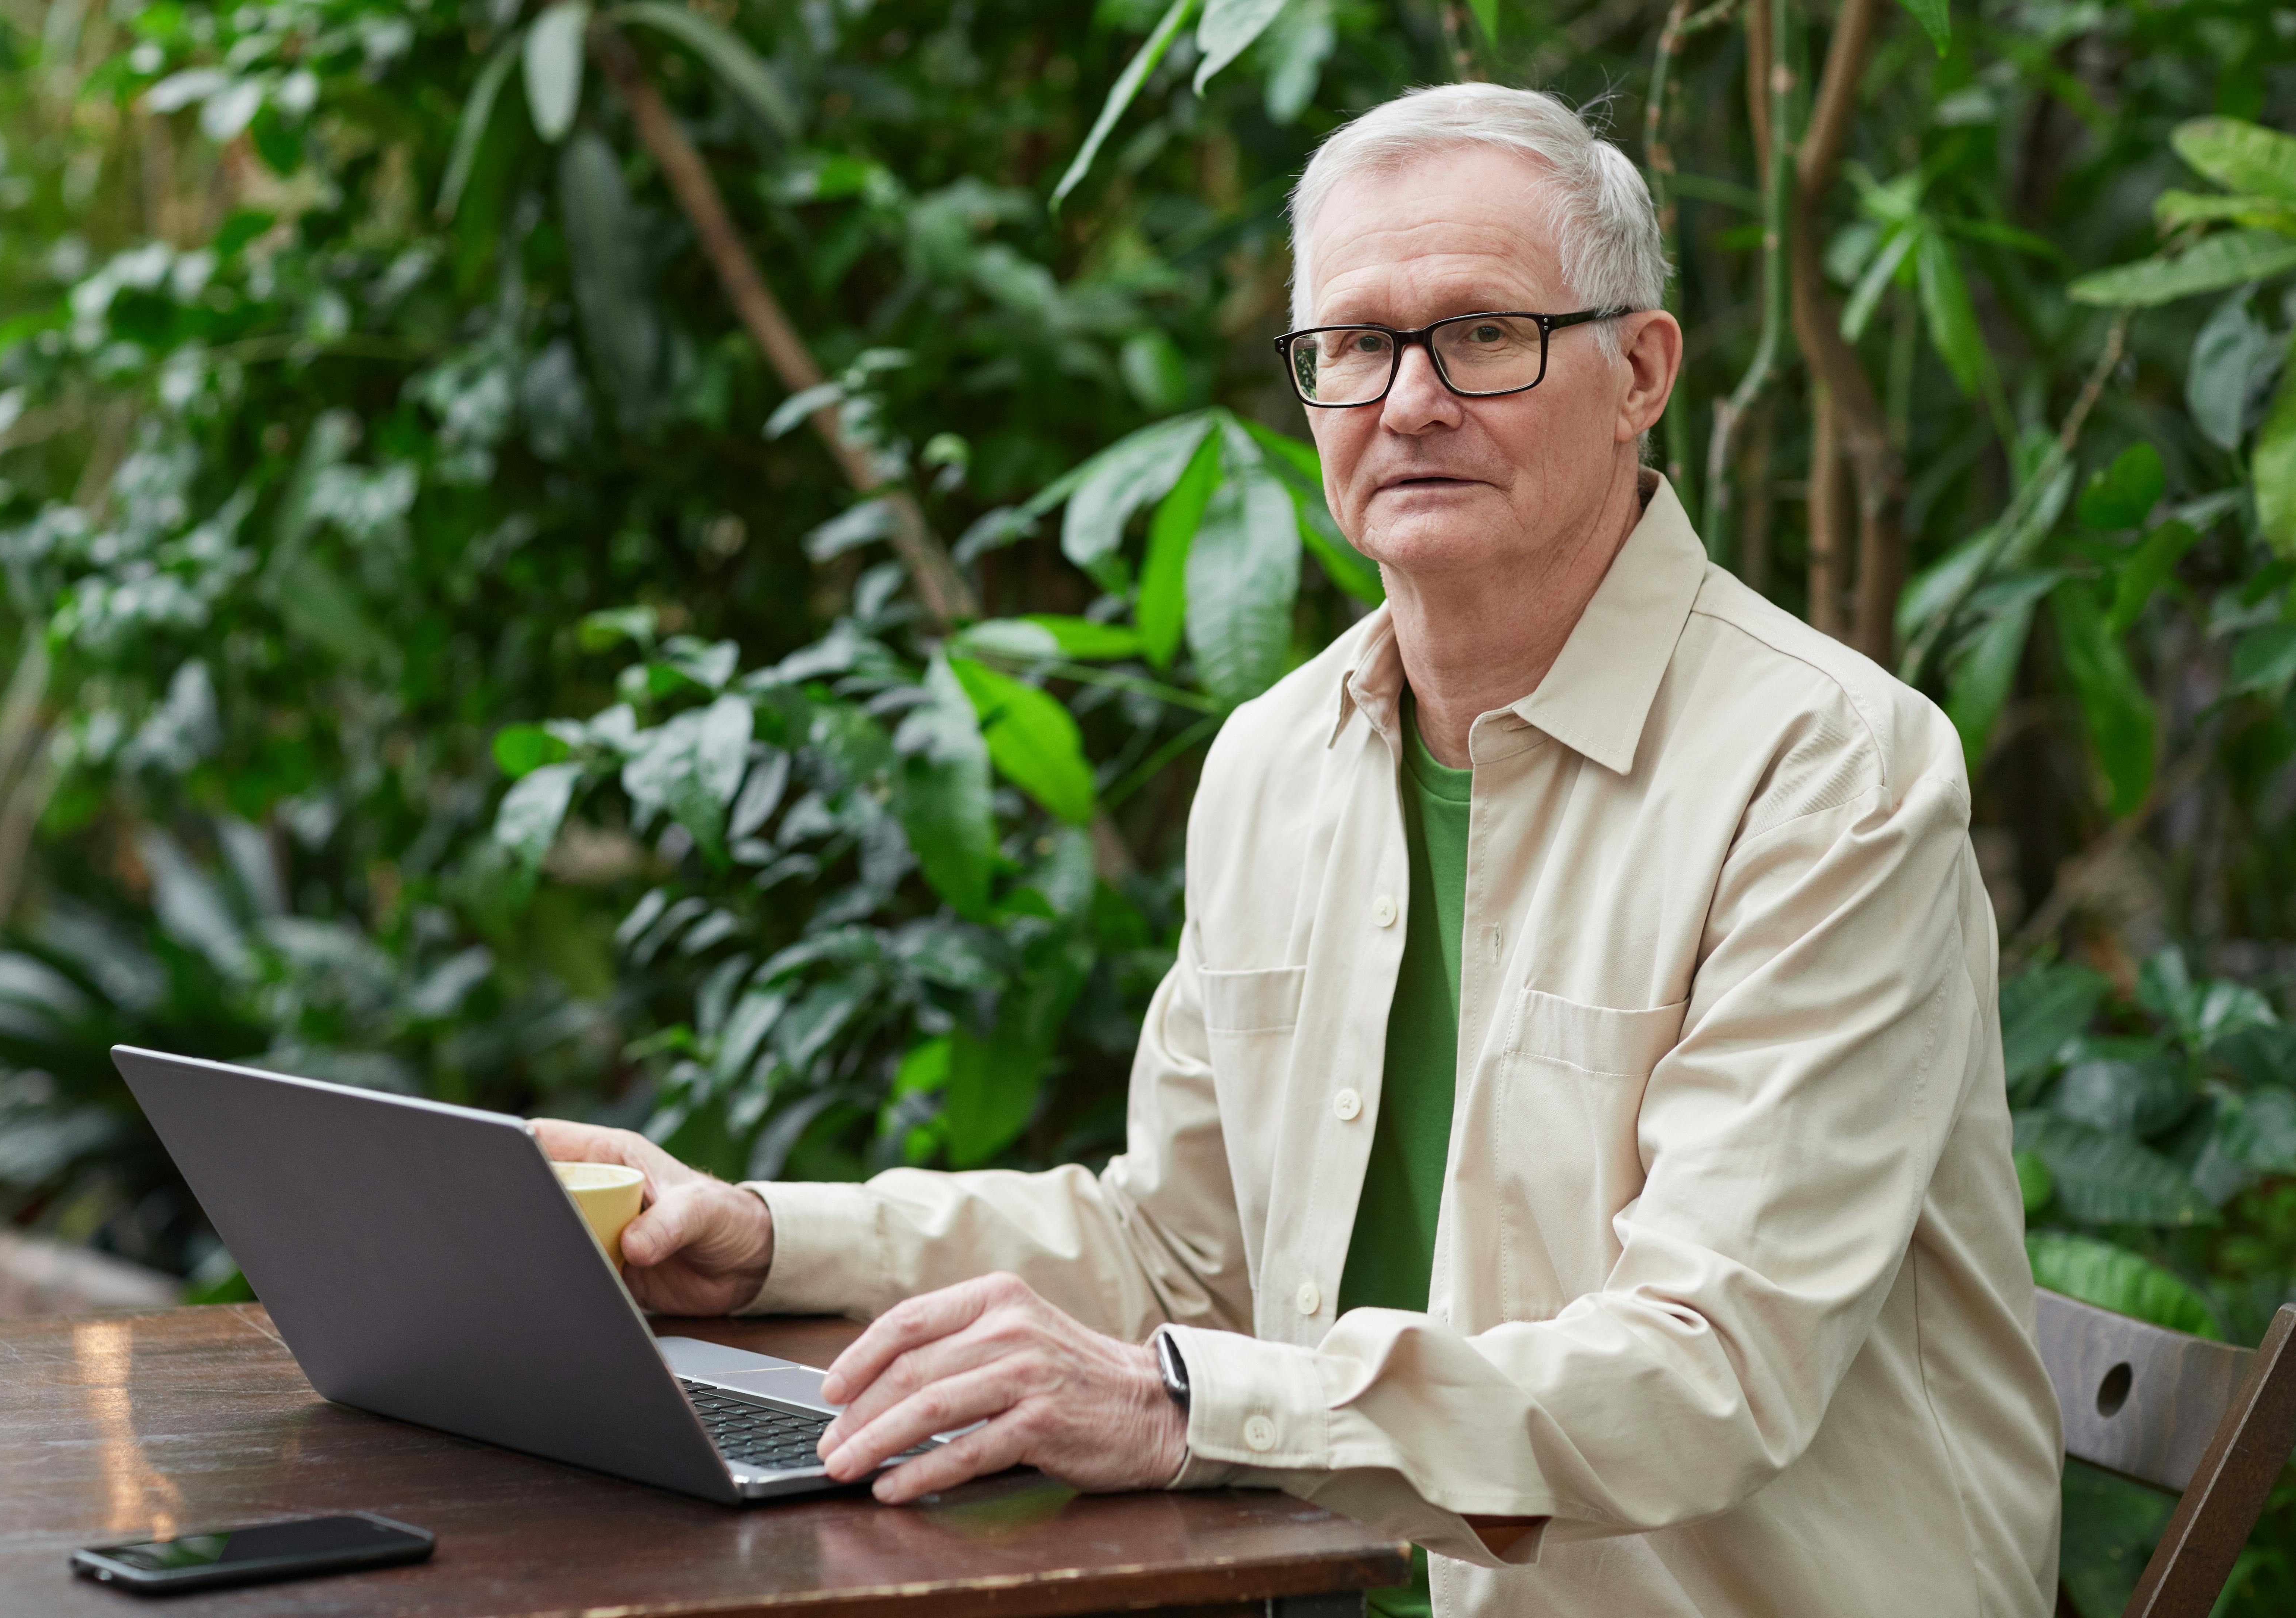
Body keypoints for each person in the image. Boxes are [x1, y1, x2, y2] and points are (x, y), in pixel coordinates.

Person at [536, 83, 2063, 1618]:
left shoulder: (1830, 771)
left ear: (1638, 372)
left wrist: (1177, 1404)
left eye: (1480, 334)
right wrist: (757, 1237)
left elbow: (1704, 1368)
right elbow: (1177, 1253)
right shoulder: (1278, 758)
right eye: (1353, 347)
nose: (1407, 403)